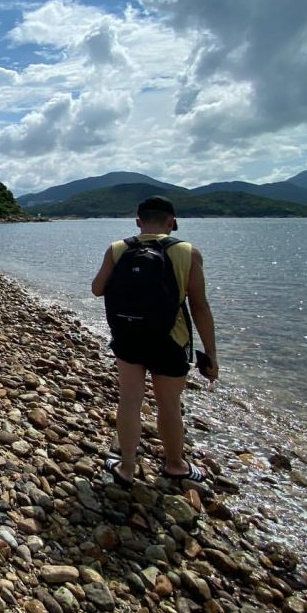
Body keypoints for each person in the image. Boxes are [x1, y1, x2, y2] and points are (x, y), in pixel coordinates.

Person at [91, 196, 218, 486]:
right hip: (170, 340)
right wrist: (211, 353)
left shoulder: (118, 248)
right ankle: (175, 465)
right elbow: (200, 307)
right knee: (169, 404)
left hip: (128, 337)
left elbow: (97, 289)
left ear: (138, 222)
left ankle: (125, 468)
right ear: (172, 222)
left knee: (130, 400)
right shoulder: (188, 252)